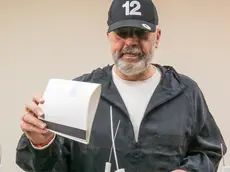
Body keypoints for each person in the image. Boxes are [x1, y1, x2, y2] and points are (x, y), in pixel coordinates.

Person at [15, 0, 227, 171]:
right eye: (122, 33)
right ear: (108, 36)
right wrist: (40, 143)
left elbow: (210, 151)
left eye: (141, 34)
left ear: (157, 37)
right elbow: (51, 167)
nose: (130, 42)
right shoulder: (78, 92)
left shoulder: (185, 92)